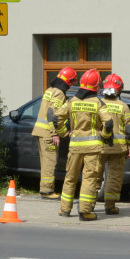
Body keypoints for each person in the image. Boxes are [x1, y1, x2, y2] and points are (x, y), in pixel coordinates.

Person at [53, 69, 113, 221]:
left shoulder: (72, 101)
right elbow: (109, 122)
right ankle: (85, 212)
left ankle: (64, 209)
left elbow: (56, 118)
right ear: (97, 87)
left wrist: (65, 134)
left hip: (75, 147)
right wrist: (105, 135)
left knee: (70, 177)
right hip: (93, 148)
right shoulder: (98, 103)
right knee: (89, 178)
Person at [31, 67, 76, 199]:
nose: (72, 85)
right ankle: (47, 191)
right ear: (68, 81)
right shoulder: (59, 93)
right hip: (48, 133)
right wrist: (55, 133)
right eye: (72, 82)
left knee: (45, 162)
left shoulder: (50, 90)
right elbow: (52, 114)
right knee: (50, 161)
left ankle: (44, 189)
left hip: (41, 131)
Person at [99, 73, 130, 215]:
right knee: (114, 177)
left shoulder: (98, 103)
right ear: (119, 90)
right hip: (119, 148)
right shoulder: (123, 106)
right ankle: (110, 206)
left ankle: (87, 206)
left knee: (95, 176)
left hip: (99, 147)